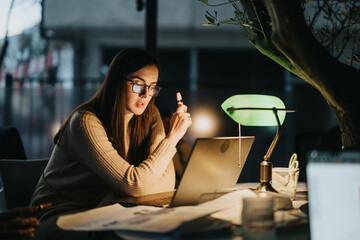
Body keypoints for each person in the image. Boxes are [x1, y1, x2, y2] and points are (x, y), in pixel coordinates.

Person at [30, 48, 192, 239]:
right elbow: (135, 185)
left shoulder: (150, 115)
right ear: (117, 81)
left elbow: (164, 185)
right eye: (138, 85)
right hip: (59, 215)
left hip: (111, 209)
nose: (146, 95)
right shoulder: (85, 122)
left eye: (152, 87)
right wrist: (172, 138)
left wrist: (118, 196)